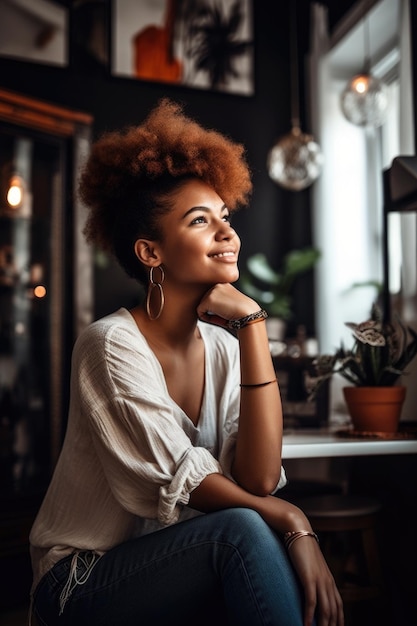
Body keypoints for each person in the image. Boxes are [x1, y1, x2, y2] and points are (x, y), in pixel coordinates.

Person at [29, 99, 343, 626]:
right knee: (245, 529)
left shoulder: (223, 347)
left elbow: (259, 478)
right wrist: (293, 519)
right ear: (151, 252)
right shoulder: (108, 346)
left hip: (175, 561)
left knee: (249, 523)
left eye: (225, 216)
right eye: (201, 221)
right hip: (80, 582)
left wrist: (253, 326)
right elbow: (189, 485)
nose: (228, 233)